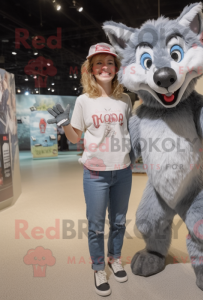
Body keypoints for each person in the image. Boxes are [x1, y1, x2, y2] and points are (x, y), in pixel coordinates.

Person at [46, 43, 133, 297]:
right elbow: (74, 139)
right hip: (95, 173)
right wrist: (64, 124)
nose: (104, 67)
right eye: (98, 63)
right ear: (91, 69)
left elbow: (129, 133)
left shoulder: (125, 99)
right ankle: (98, 268)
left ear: (116, 68)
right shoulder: (84, 101)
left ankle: (114, 258)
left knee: (118, 222)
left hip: (123, 171)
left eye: (109, 62)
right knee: (96, 225)